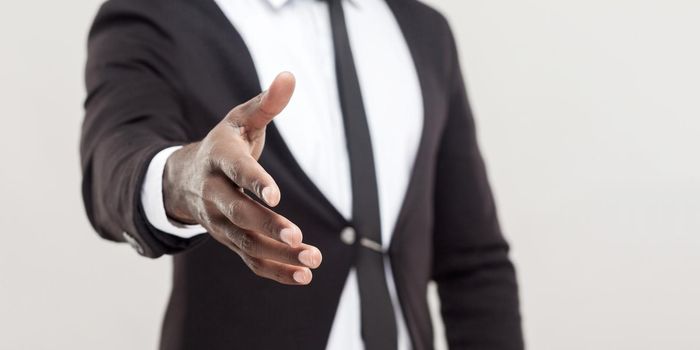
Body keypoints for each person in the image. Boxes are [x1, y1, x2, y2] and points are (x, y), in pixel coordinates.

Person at [80, 0, 524, 349]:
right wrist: (182, 179)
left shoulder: (426, 32)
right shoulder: (159, 14)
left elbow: (473, 260)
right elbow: (114, 159)